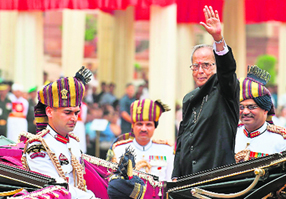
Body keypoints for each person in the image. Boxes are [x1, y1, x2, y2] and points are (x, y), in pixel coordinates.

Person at [172, 5, 240, 179]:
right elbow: (182, 141)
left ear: (216, 66)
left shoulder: (225, 90)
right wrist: (175, 176)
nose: (200, 70)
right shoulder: (189, 98)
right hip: (188, 179)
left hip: (216, 178)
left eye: (206, 65)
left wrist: (218, 39)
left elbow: (227, 70)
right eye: (196, 66)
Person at [22, 67, 97, 199]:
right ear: (49, 112)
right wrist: (89, 197)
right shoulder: (37, 146)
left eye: (76, 113)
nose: (73, 118)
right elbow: (54, 187)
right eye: (67, 112)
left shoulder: (73, 142)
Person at [110, 99, 174, 182]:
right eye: (139, 124)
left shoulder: (166, 150)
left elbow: (171, 181)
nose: (143, 129)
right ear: (133, 126)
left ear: (155, 127)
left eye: (148, 124)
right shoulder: (119, 150)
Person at [235, 66, 286, 162]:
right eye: (241, 107)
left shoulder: (281, 140)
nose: (245, 112)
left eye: (251, 107)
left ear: (265, 110)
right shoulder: (232, 134)